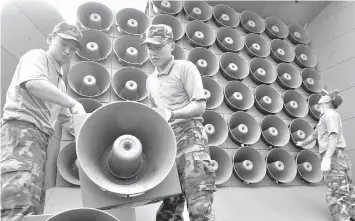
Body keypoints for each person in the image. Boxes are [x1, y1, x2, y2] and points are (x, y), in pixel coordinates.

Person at [1, 21, 87, 221]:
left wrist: (93, 134)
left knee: (33, 207)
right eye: (63, 44)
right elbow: (34, 84)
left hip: (39, 143)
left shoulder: (60, 84)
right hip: (20, 134)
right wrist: (74, 103)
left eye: (73, 48)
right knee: (18, 207)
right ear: (50, 39)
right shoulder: (36, 57)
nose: (67, 51)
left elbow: (67, 121)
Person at [143, 24, 217, 221]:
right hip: (168, 148)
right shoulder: (150, 81)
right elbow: (157, 115)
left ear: (171, 45)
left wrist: (173, 114)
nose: (153, 52)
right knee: (167, 214)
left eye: (158, 47)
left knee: (200, 208)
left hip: (192, 143)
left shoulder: (185, 68)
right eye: (149, 47)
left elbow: (200, 105)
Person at [297, 89, 355, 221]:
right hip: (337, 156)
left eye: (325, 96)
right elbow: (313, 136)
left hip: (334, 156)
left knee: (337, 191)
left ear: (328, 101)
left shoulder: (330, 115)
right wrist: (301, 142)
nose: (322, 97)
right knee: (346, 189)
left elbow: (333, 136)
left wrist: (327, 158)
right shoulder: (325, 117)